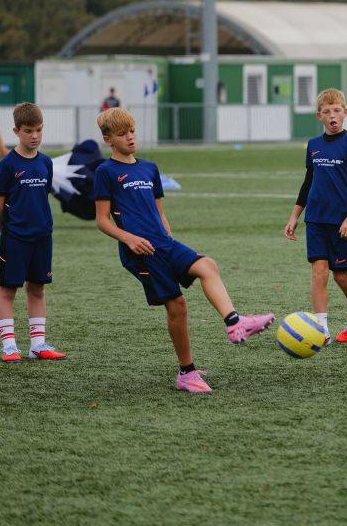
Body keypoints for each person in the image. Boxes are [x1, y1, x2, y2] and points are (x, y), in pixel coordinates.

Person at [94, 108, 275, 394]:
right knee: (177, 306)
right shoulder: (105, 172)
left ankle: (235, 322)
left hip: (164, 243)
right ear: (108, 140)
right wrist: (129, 239)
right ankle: (186, 373)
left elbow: (159, 212)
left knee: (207, 266)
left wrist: (168, 236)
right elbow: (102, 221)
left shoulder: (149, 168)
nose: (130, 137)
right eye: (122, 134)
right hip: (139, 250)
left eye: (132, 131)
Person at [284, 89, 347, 345]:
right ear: (319, 116)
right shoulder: (313, 145)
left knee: (341, 275)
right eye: (327, 111)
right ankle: (321, 329)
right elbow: (308, 183)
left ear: (345, 113)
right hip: (315, 219)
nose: (332, 115)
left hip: (341, 223)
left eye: (337, 110)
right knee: (319, 272)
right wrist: (295, 216)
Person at [0, 103, 63, 363]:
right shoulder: (7, 165)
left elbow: (42, 197)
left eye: (38, 130)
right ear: (16, 131)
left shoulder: (46, 162)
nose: (34, 136)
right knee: (7, 290)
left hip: (42, 237)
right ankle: (9, 346)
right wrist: (6, 230)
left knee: (37, 288)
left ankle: (37, 345)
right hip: (15, 238)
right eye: (28, 131)